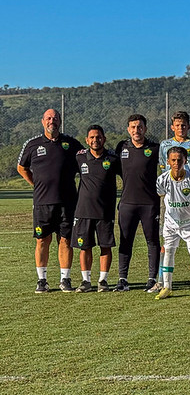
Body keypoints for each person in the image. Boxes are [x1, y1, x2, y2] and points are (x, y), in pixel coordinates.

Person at [17, 109, 83, 293]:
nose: (51, 121)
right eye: (48, 118)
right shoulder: (32, 144)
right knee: (42, 240)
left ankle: (65, 279)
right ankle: (42, 280)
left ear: (60, 121)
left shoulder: (71, 143)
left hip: (67, 202)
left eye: (55, 118)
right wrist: (36, 184)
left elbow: (85, 164)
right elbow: (21, 168)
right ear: (42, 121)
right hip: (42, 203)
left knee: (65, 240)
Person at [72, 125, 122, 293]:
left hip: (105, 212)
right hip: (83, 211)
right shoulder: (79, 158)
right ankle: (86, 281)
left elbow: (128, 177)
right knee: (84, 247)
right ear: (87, 140)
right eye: (92, 137)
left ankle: (103, 280)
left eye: (98, 137)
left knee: (105, 246)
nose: (95, 140)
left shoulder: (113, 159)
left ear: (104, 139)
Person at [115, 114, 161, 292]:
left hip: (149, 203)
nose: (136, 130)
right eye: (133, 127)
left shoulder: (155, 148)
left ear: (145, 129)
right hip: (127, 203)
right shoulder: (122, 147)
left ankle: (152, 279)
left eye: (139, 127)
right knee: (126, 241)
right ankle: (122, 279)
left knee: (152, 241)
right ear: (128, 129)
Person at [155, 147, 190, 300]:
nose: (176, 163)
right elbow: (162, 196)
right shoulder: (162, 180)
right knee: (169, 251)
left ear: (185, 160)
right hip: (171, 224)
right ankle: (167, 287)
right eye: (173, 160)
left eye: (179, 160)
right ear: (168, 161)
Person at [159, 111, 190, 178]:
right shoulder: (164, 145)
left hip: (189, 183)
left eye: (183, 125)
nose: (180, 128)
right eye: (177, 125)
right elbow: (163, 168)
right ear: (172, 127)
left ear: (188, 126)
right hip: (171, 184)